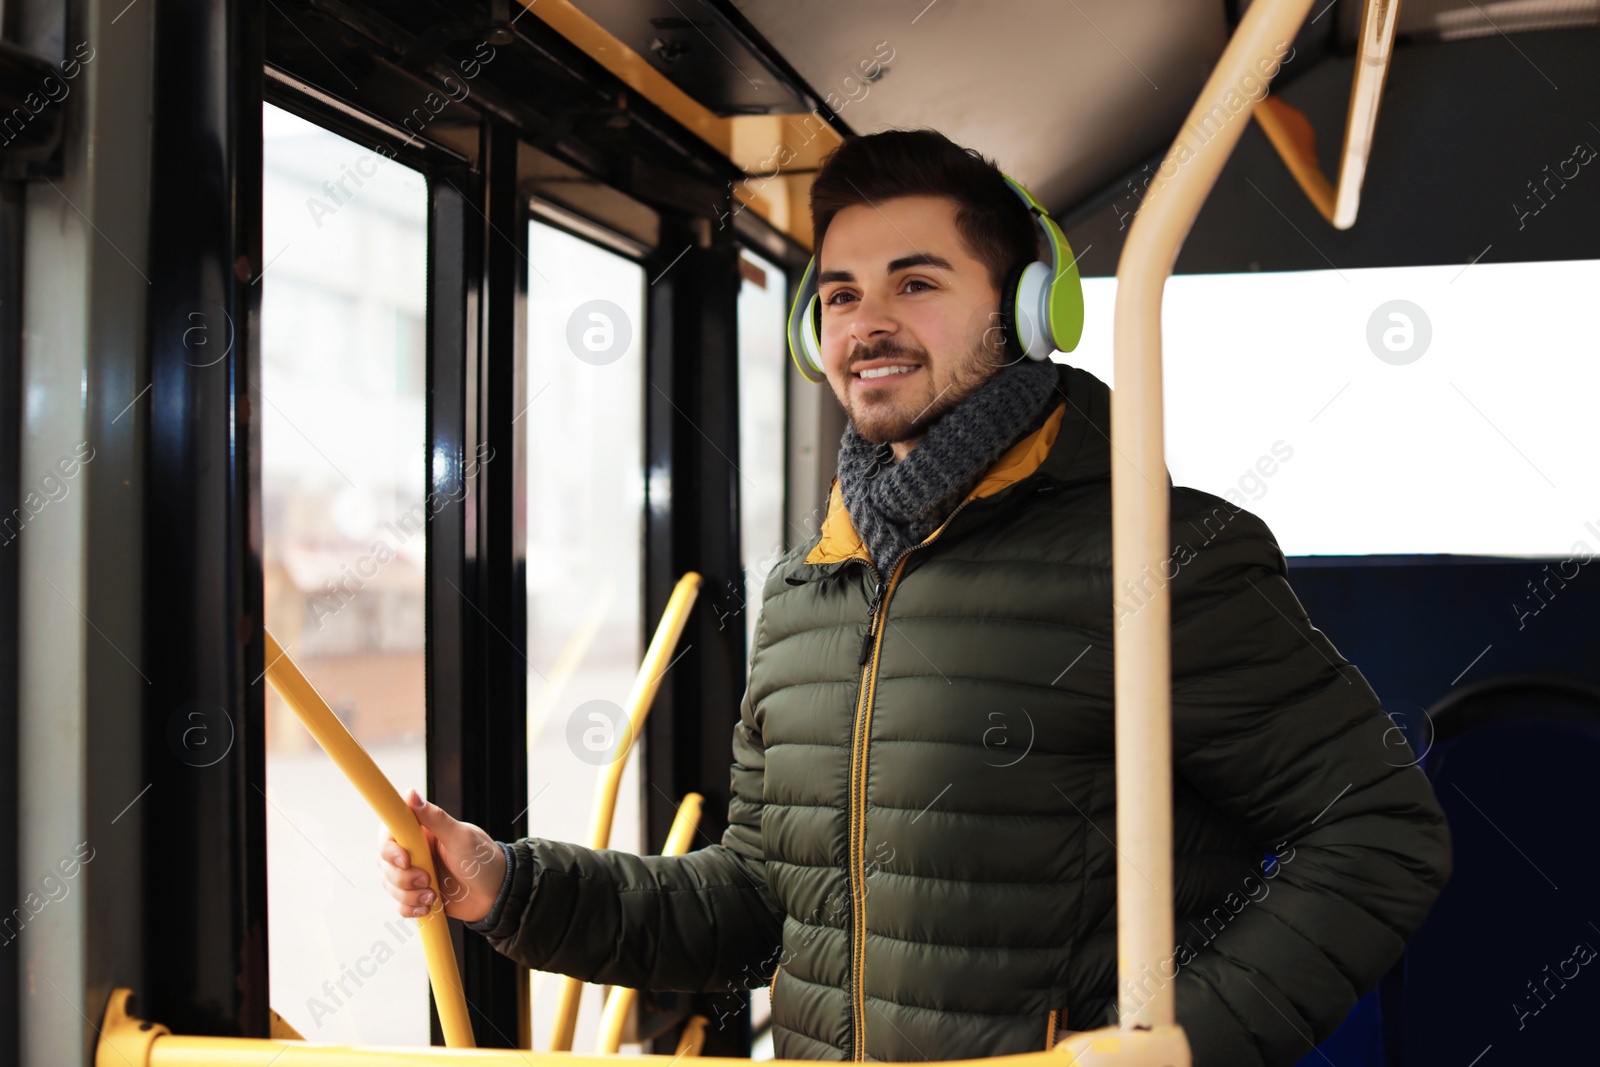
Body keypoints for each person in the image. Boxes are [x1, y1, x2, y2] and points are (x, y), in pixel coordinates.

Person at [378, 128, 1451, 1065]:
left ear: (1028, 312)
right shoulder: (807, 589)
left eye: (917, 282)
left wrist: (1175, 1044)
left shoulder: (1157, 550)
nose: (867, 322)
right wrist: (511, 886)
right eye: (841, 293)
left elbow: (1377, 831)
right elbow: (758, 905)